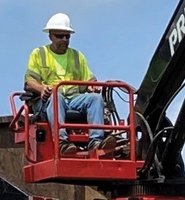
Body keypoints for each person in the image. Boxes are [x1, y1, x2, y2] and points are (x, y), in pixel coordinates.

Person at [23, 13, 116, 154]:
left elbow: (90, 80)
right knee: (56, 94)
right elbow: (29, 83)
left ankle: (96, 142)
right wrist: (42, 88)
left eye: (67, 36)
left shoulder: (77, 56)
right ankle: (62, 143)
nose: (64, 40)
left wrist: (93, 86)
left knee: (95, 99)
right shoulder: (38, 54)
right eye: (60, 36)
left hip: (73, 99)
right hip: (49, 101)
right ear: (50, 36)